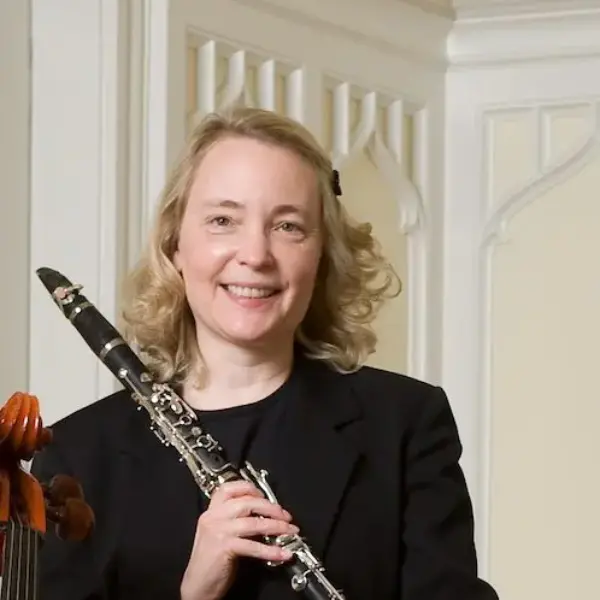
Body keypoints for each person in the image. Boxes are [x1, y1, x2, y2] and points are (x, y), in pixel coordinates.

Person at [31, 106, 499, 600]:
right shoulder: (79, 455)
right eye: (223, 220)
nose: (255, 255)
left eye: (288, 226)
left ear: (321, 254)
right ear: (175, 246)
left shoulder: (404, 424)